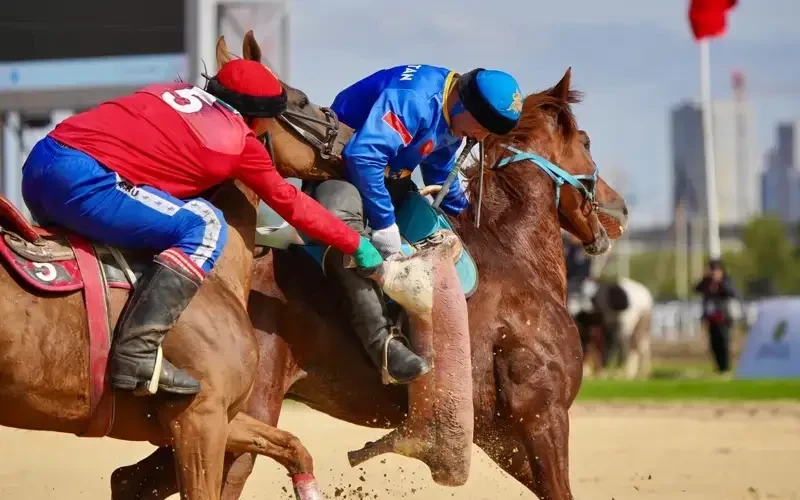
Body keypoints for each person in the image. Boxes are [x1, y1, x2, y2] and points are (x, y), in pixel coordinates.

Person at [20, 59, 384, 396]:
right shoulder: (243, 144)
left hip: (40, 163)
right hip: (83, 185)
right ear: (259, 120)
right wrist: (355, 243)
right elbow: (293, 205)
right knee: (205, 224)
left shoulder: (167, 91)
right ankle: (137, 352)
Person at [306, 64, 523, 385]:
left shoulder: (453, 114)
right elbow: (363, 157)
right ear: (463, 105)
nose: (479, 138)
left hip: (387, 183)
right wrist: (384, 224)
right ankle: (383, 346)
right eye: (480, 129)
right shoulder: (415, 100)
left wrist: (477, 223)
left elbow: (438, 171)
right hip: (338, 175)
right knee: (351, 237)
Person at [694, 259, 738, 373]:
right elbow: (696, 289)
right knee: (714, 345)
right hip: (711, 318)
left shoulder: (726, 281)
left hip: (723, 318)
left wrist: (720, 282)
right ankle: (719, 368)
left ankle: (725, 367)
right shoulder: (707, 282)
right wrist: (705, 278)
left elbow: (732, 293)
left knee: (724, 343)